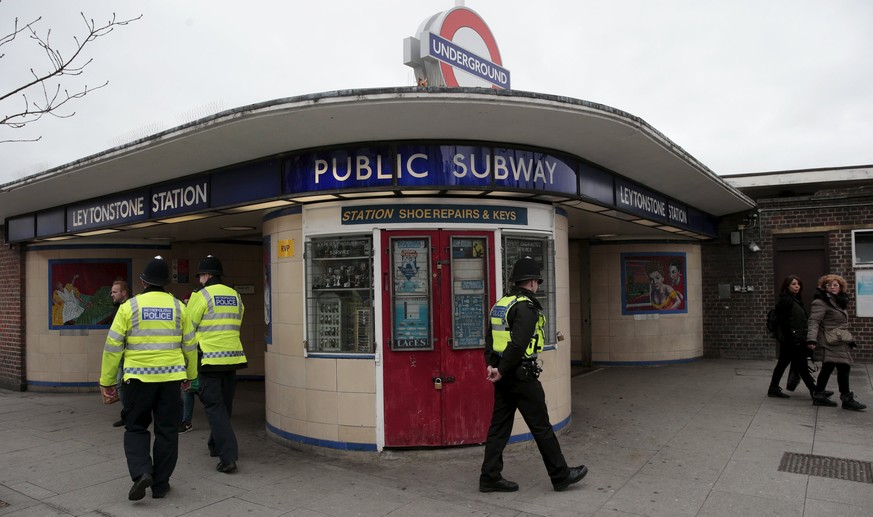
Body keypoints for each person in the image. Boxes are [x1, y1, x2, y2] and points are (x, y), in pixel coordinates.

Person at [479, 257, 587, 493]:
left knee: (499, 428)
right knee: (541, 427)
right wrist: (503, 368)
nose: (538, 285)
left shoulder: (502, 303)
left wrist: (492, 365)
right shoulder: (525, 306)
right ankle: (560, 475)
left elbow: (489, 338)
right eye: (537, 281)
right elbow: (518, 345)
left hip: (503, 375)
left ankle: (489, 476)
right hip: (521, 376)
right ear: (531, 282)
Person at [99, 256, 198, 500]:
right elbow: (190, 345)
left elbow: (113, 347)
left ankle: (142, 471)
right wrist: (190, 376)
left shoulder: (129, 307)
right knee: (167, 432)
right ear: (166, 283)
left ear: (143, 282)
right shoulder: (179, 307)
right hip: (170, 380)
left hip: (137, 381)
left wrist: (107, 382)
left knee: (135, 428)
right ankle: (161, 485)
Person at [186, 255, 248, 473]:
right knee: (224, 405)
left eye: (201, 275)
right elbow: (237, 321)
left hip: (209, 360)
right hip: (232, 359)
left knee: (214, 408)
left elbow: (188, 329)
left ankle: (228, 456)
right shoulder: (235, 295)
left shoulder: (200, 296)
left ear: (207, 275)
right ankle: (215, 444)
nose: (200, 279)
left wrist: (188, 365)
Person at [807, 274, 866, 411]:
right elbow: (814, 321)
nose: (832, 287)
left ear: (840, 287)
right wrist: (811, 339)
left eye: (835, 285)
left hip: (838, 340)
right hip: (828, 340)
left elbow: (840, 325)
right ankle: (846, 399)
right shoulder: (821, 302)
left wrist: (850, 341)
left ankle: (820, 395)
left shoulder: (838, 301)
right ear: (824, 287)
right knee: (844, 367)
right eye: (829, 285)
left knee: (829, 367)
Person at [767, 275, 828, 399]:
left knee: (785, 364)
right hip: (792, 340)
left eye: (798, 284)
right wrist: (793, 339)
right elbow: (784, 323)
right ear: (787, 286)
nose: (797, 286)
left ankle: (773, 388)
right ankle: (815, 391)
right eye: (794, 284)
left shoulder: (794, 299)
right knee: (801, 365)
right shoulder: (786, 300)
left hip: (794, 339)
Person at [106, 280, 131, 427]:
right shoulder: (117, 308)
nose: (112, 295)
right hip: (120, 353)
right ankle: (128, 413)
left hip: (128, 353)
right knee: (121, 385)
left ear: (124, 293)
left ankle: (130, 414)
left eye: (115, 292)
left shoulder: (128, 308)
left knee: (123, 385)